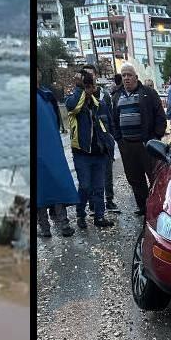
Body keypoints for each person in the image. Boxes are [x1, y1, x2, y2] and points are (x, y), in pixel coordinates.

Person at [112, 63, 167, 215]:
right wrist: (119, 140)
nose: (126, 78)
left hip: (146, 145)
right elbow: (114, 121)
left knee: (154, 176)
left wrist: (155, 138)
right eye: (124, 75)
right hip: (127, 145)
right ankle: (143, 207)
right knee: (134, 179)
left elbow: (160, 116)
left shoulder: (148, 93)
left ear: (136, 77)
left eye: (129, 75)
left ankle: (157, 206)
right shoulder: (116, 96)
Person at [65, 69, 115, 228]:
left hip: (99, 153)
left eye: (90, 85)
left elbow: (109, 125)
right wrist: (80, 89)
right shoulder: (72, 102)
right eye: (85, 85)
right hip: (82, 153)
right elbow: (74, 105)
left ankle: (99, 217)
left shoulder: (99, 104)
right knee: (85, 186)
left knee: (99, 188)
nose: (88, 88)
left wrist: (110, 144)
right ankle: (80, 214)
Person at [36, 74, 77, 238]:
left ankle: (62, 224)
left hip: (51, 146)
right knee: (42, 187)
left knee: (54, 184)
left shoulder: (46, 96)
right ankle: (45, 227)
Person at [80, 64, 120, 213]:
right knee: (91, 175)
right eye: (86, 75)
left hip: (104, 141)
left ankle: (109, 199)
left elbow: (111, 116)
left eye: (91, 74)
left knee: (107, 172)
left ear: (96, 75)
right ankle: (94, 203)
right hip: (89, 143)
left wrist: (112, 137)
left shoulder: (105, 95)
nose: (90, 77)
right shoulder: (80, 96)